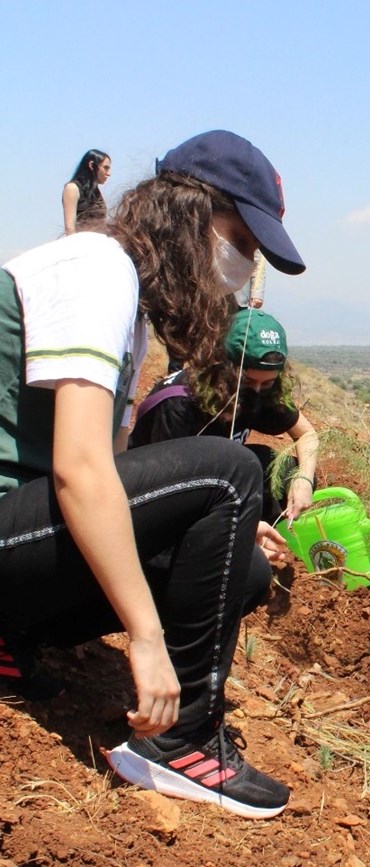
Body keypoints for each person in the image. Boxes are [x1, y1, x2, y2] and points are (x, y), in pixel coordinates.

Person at [0, 129, 306, 819]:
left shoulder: (126, 300)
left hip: (14, 536)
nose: (243, 265)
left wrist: (211, 533)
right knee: (232, 470)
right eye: (242, 240)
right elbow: (81, 472)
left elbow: (107, 472)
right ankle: (182, 741)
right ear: (192, 212)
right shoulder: (97, 267)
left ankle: (10, 638)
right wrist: (145, 634)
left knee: (241, 567)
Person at [130, 306, 319, 526]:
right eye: (248, 382)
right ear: (222, 367)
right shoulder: (180, 404)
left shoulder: (262, 392)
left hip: (219, 480)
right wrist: (239, 525)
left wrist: (303, 480)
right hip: (161, 499)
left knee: (284, 470)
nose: (257, 391)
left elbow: (306, 435)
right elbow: (167, 490)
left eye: (267, 383)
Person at [62, 148, 111, 234]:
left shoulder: (96, 192)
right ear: (91, 165)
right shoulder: (72, 188)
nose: (108, 173)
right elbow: (70, 229)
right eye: (105, 168)